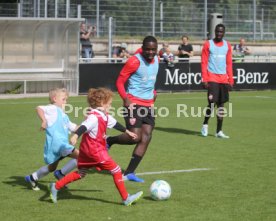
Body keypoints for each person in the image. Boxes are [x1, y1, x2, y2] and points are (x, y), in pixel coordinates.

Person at [49, 88, 143, 206]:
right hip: (95, 151)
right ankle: (126, 198)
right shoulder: (94, 117)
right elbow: (84, 126)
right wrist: (75, 136)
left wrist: (127, 132)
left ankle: (55, 186)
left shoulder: (103, 115)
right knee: (116, 170)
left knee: (81, 173)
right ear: (102, 104)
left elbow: (114, 123)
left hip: (86, 150)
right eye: (109, 104)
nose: (110, 105)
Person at [106, 36, 159, 183]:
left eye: (153, 49)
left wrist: (153, 93)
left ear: (156, 49)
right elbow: (120, 81)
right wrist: (126, 99)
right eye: (147, 49)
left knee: (147, 137)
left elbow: (151, 79)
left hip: (148, 105)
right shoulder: (134, 61)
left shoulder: (158, 60)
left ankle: (129, 173)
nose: (150, 52)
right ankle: (109, 141)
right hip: (133, 103)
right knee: (134, 137)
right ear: (142, 48)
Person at [25, 88, 79, 191]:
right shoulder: (52, 109)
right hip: (59, 144)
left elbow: (74, 128)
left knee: (52, 167)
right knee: (82, 157)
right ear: (54, 99)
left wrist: (88, 125)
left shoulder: (64, 115)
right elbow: (39, 108)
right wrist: (44, 121)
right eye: (63, 99)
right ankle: (61, 175)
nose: (66, 102)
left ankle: (32, 177)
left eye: (66, 100)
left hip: (59, 145)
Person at [200, 24, 234, 139]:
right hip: (212, 78)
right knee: (211, 103)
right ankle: (205, 124)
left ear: (224, 32)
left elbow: (229, 63)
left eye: (221, 32)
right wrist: (204, 79)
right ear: (215, 31)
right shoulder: (208, 44)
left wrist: (231, 80)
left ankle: (219, 131)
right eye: (217, 31)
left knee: (221, 106)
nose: (219, 33)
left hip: (223, 79)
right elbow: (204, 62)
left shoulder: (227, 45)